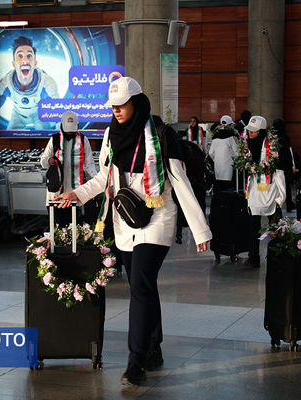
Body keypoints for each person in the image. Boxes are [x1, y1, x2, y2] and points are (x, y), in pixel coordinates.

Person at [53, 77, 211, 385]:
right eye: (112, 106)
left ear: (136, 103)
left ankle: (135, 359)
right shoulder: (112, 133)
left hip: (158, 217)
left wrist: (200, 230)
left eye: (121, 105)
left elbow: (180, 181)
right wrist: (78, 194)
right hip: (124, 220)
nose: (116, 111)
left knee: (139, 282)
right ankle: (153, 343)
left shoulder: (162, 135)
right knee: (145, 286)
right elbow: (105, 177)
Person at [241, 116, 286, 267]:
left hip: (271, 190)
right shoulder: (247, 145)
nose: (250, 133)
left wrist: (281, 197)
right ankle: (253, 256)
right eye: (250, 130)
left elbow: (280, 171)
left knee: (275, 227)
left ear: (261, 131)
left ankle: (278, 256)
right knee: (253, 225)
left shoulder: (273, 146)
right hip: (254, 192)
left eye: (254, 131)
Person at [40, 111, 97, 227]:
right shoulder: (55, 139)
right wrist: (49, 160)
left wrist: (97, 181)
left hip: (75, 190)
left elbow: (90, 164)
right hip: (56, 190)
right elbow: (43, 160)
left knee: (75, 224)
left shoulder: (83, 140)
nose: (70, 131)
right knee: (57, 224)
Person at [0, 36, 59, 130]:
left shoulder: (46, 83)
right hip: (17, 115)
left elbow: (58, 111)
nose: (25, 60)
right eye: (20, 56)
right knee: (10, 138)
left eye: (29, 56)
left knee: (45, 137)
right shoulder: (6, 83)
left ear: (35, 63)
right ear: (13, 64)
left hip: (39, 115)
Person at [208, 115, 239, 192]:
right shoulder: (232, 137)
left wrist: (217, 159)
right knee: (227, 189)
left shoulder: (215, 136)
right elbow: (237, 153)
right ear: (229, 125)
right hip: (229, 167)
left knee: (219, 188)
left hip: (217, 166)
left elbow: (211, 153)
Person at [272, 118, 297, 212]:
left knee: (275, 186)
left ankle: (276, 206)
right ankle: (289, 205)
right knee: (286, 185)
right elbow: (289, 152)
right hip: (285, 165)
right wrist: (293, 166)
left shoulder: (272, 137)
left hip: (275, 165)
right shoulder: (285, 136)